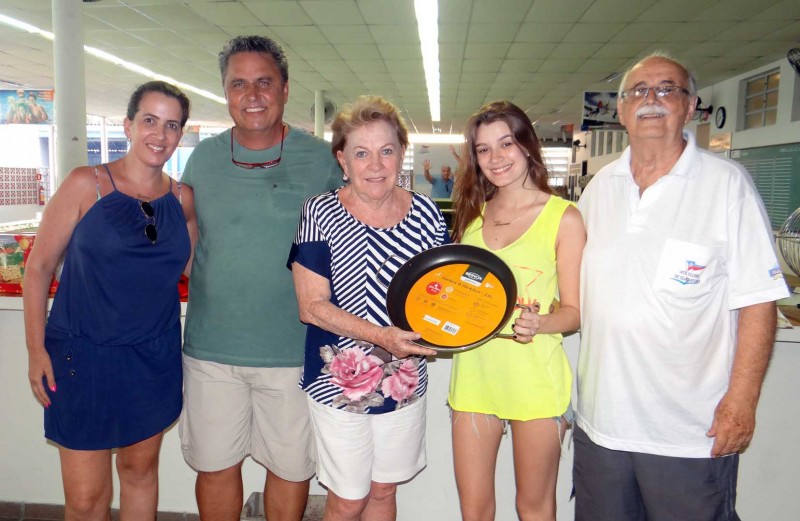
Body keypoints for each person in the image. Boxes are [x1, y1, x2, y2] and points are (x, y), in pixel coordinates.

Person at [573, 53, 789, 521]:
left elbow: (758, 301)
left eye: (667, 89)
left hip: (688, 434)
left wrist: (742, 401)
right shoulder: (599, 189)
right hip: (601, 429)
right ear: (621, 110)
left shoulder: (726, 185)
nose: (651, 99)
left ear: (690, 106)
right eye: (638, 91)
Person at [178, 35, 341, 521]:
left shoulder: (321, 161)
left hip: (294, 349)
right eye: (239, 84)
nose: (252, 95)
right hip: (212, 350)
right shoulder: (203, 160)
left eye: (264, 82)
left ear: (285, 90)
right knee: (214, 466)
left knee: (291, 469)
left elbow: (351, 240)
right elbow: (186, 244)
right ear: (226, 93)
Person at [23, 80, 196, 520]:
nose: (160, 134)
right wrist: (35, 349)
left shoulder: (182, 199)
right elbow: (38, 268)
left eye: (171, 125)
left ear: (180, 134)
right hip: (82, 356)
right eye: (150, 120)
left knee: (140, 471)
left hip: (152, 358)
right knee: (86, 500)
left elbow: (198, 271)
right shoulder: (87, 184)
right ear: (128, 125)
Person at [288, 95, 449, 521]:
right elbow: (311, 307)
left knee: (383, 491)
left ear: (401, 153)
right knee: (348, 500)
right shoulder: (319, 212)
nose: (375, 165)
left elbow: (443, 294)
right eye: (361, 153)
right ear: (343, 160)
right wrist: (381, 336)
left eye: (386, 151)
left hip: (404, 379)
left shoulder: (427, 215)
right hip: (337, 382)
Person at [448, 100, 586, 521]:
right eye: (483, 149)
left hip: (535, 380)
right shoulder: (471, 215)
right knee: (474, 511)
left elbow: (575, 311)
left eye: (506, 143)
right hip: (474, 377)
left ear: (526, 145)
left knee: (533, 508)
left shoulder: (564, 218)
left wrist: (540, 323)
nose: (496, 158)